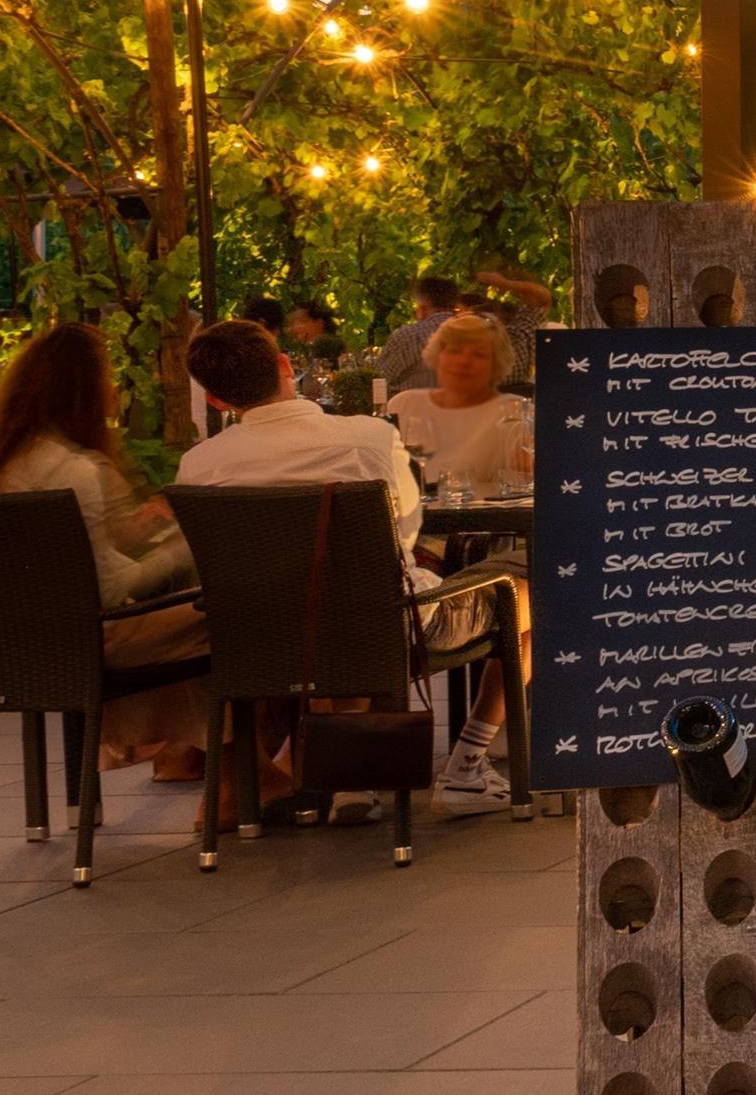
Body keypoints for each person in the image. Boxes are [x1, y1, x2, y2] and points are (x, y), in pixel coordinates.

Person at [180, 319, 515, 803]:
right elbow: (403, 534)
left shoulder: (199, 465)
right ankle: (466, 765)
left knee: (351, 605)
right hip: (382, 628)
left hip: (261, 638)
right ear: (285, 365)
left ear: (215, 399)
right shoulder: (368, 437)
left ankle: (346, 778)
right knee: (527, 593)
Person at [0, 325, 205, 778]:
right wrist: (185, 549)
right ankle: (233, 771)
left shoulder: (3, 461)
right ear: (81, 389)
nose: (114, 388)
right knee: (221, 615)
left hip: (10, 643)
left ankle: (178, 754)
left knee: (184, 607)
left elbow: (66, 560)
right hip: (79, 644)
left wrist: (138, 530)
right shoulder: (74, 470)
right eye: (108, 376)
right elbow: (108, 591)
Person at [384, 312, 533, 495]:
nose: (464, 361)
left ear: (496, 364)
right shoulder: (403, 405)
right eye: (454, 351)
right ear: (438, 356)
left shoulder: (514, 411)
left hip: (479, 513)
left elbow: (528, 484)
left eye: (478, 354)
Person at [372, 276, 464, 391]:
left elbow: (377, 379)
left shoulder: (409, 336)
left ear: (422, 308)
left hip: (413, 402)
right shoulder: (477, 333)